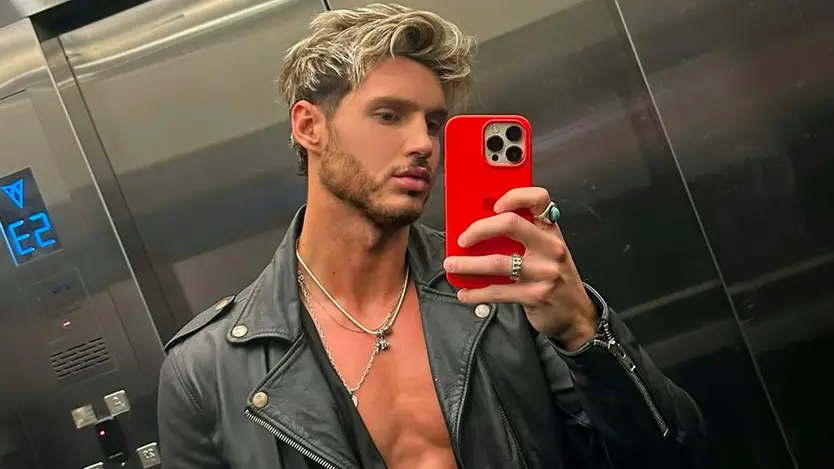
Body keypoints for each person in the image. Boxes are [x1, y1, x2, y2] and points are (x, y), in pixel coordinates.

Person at [157, 3, 706, 469]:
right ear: (309, 127)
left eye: (434, 123)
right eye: (389, 116)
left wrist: (583, 330)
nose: (423, 143)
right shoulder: (206, 370)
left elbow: (677, 456)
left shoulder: (504, 287)